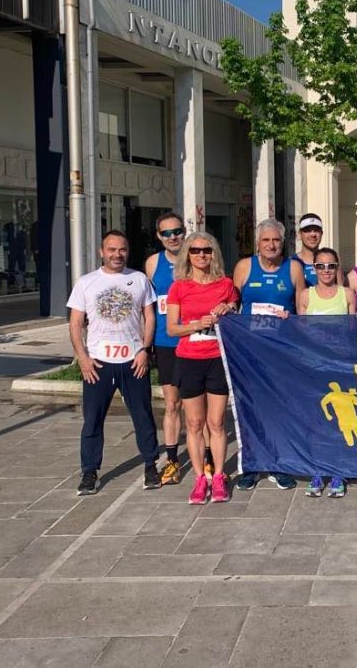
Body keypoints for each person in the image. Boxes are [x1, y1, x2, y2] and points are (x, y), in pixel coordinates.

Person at [67, 230, 160, 495]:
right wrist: (83, 358)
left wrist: (145, 350)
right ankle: (89, 471)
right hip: (99, 364)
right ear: (102, 252)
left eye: (122, 250)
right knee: (93, 420)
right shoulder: (86, 283)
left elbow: (150, 317)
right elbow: (75, 323)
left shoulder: (139, 279)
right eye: (111, 249)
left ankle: (150, 465)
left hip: (133, 361)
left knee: (143, 416)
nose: (117, 255)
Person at [232, 219, 305, 491]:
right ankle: (252, 465)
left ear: (283, 242)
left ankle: (278, 462)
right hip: (249, 350)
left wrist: (292, 320)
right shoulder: (244, 267)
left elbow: (302, 309)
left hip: (281, 350)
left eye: (276, 240)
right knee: (250, 407)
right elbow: (233, 304)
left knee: (278, 407)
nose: (271, 245)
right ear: (257, 243)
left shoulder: (293, 268)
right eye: (266, 240)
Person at [166, 232, 238, 505]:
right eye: (195, 250)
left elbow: (235, 311)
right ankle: (199, 479)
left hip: (218, 359)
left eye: (206, 250)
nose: (201, 255)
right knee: (194, 423)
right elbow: (172, 329)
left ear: (214, 253)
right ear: (188, 254)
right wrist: (197, 324)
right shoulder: (179, 287)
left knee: (216, 423)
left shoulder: (225, 284)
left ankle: (218, 476)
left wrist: (228, 307)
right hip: (189, 359)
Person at [145, 212, 202, 486]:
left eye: (177, 231)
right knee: (172, 404)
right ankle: (172, 460)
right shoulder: (152, 263)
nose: (173, 237)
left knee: (197, 407)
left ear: (184, 231)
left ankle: (205, 455)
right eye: (166, 233)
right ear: (159, 236)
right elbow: (146, 306)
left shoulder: (196, 257)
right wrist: (144, 344)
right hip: (166, 342)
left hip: (195, 340)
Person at [298, 247, 354, 498]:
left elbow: (353, 332)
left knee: (341, 421)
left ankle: (338, 471)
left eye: (331, 265)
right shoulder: (305, 295)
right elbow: (300, 331)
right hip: (313, 366)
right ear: (314, 269)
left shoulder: (347, 294)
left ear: (337, 267)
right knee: (316, 421)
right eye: (321, 266)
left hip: (340, 366)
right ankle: (318, 470)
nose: (326, 270)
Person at [293, 213, 325, 286]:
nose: (313, 234)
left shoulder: (331, 262)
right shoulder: (291, 263)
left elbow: (341, 289)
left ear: (321, 234)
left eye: (316, 230)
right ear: (300, 234)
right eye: (308, 230)